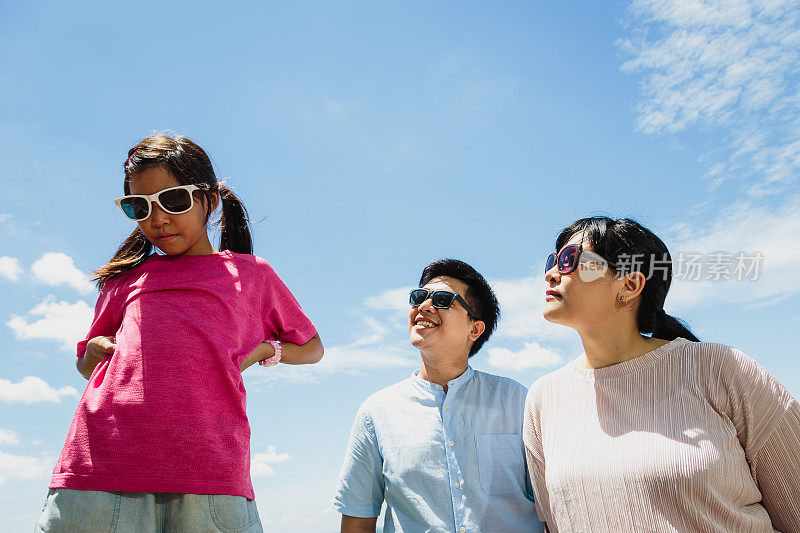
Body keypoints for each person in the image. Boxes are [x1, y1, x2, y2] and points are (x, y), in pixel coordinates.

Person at [35, 134, 324, 532]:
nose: (157, 219)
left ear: (210, 199)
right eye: (140, 206)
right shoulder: (125, 281)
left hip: (209, 474)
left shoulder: (252, 274)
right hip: (99, 469)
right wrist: (92, 353)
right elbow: (88, 363)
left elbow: (311, 348)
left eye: (173, 200)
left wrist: (263, 350)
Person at [524, 216, 800, 532]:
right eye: (552, 260)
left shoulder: (720, 369)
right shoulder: (544, 398)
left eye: (569, 260)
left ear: (629, 284)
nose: (550, 273)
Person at [334, 259, 543, 533]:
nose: (424, 306)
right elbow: (358, 518)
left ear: (475, 329)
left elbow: (551, 505)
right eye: (419, 297)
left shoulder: (517, 400)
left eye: (444, 299)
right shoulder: (376, 412)